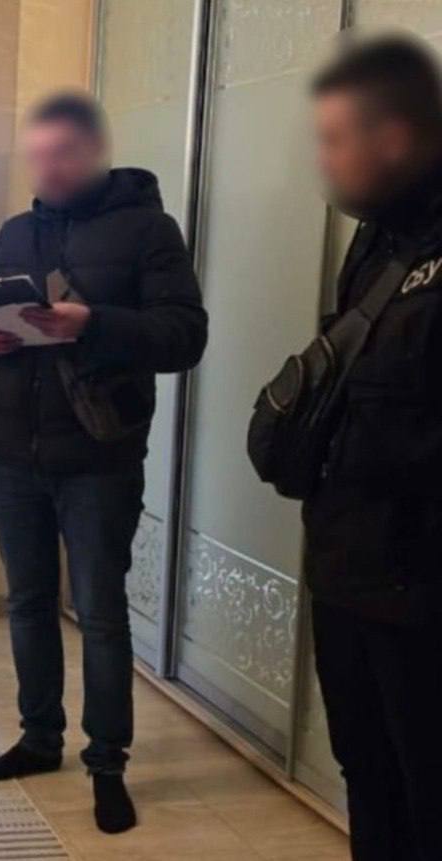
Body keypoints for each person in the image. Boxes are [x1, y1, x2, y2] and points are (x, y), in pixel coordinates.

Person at [0, 93, 206, 834]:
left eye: (63, 152)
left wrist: (92, 324)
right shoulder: (15, 232)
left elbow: (184, 336)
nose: (49, 168)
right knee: (27, 602)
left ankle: (107, 762)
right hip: (12, 452)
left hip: (99, 455)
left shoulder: (149, 230)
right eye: (38, 155)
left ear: (97, 151)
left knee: (99, 611)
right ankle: (40, 738)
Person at [300, 36, 442, 861]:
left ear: (391, 137)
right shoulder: (376, 239)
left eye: (334, 139)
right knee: (367, 771)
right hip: (346, 566)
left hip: (421, 586)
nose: (324, 159)